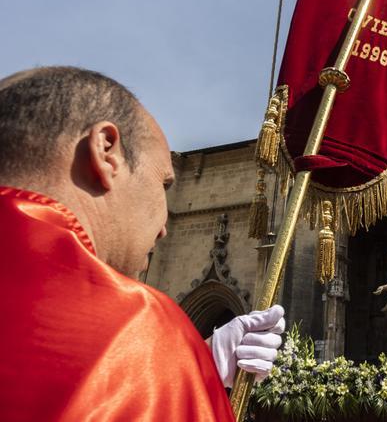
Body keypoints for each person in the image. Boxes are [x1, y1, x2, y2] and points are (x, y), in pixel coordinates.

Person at [0, 67, 284, 420]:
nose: (164, 226)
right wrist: (174, 366)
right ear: (106, 152)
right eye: (164, 184)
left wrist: (195, 361)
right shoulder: (136, 326)